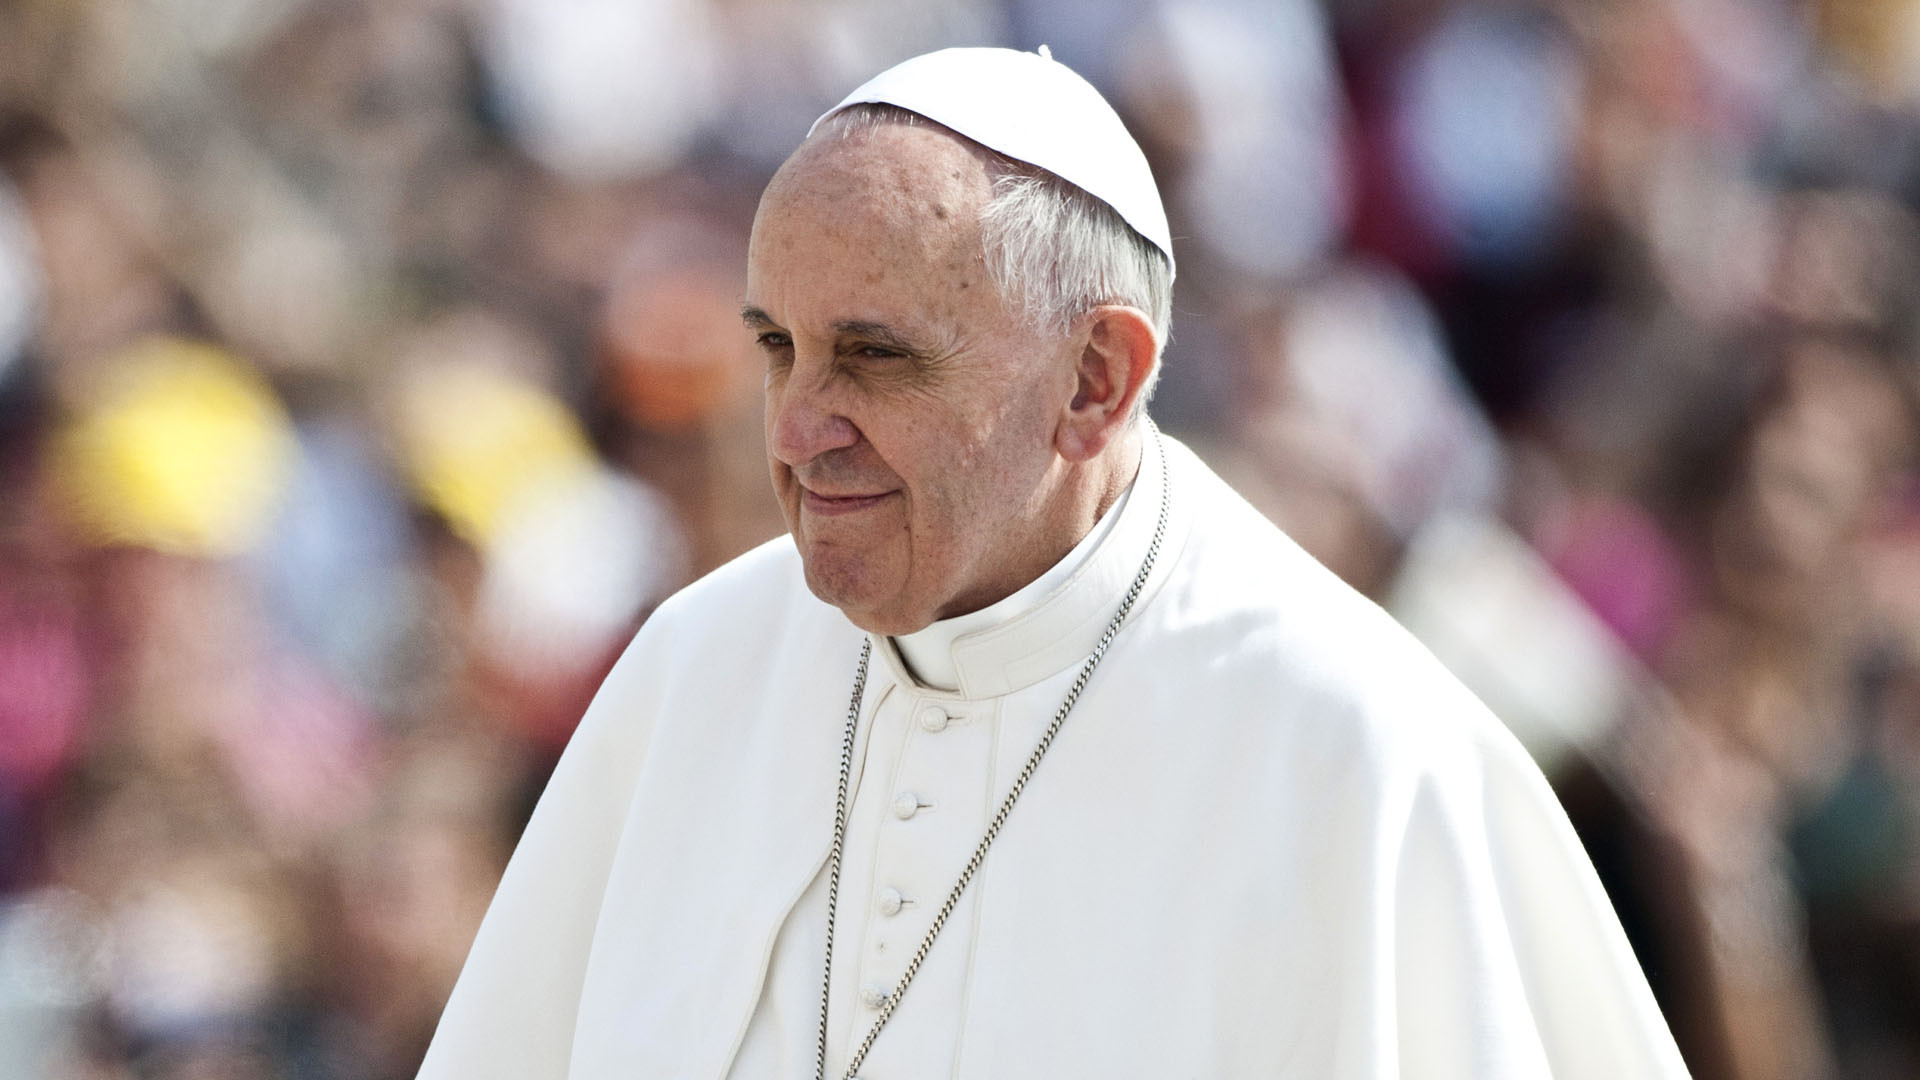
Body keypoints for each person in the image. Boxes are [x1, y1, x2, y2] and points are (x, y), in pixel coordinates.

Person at [418, 47, 1690, 1079]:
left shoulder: (1353, 744)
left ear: (1097, 380)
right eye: (777, 349)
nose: (797, 432)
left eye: (873, 355)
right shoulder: (695, 671)